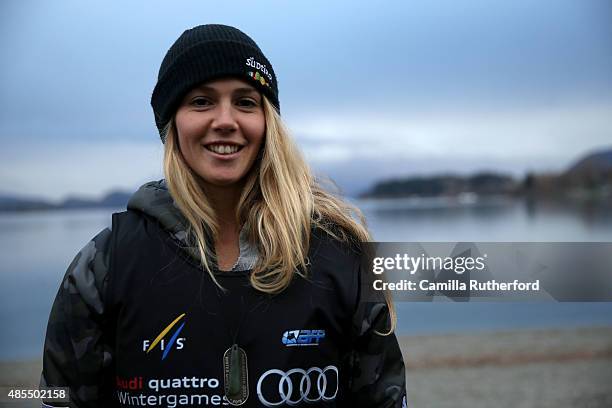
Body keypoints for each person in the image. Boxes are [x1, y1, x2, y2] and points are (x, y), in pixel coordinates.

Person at [41, 24, 407, 407]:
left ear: (268, 123)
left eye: (246, 102)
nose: (225, 120)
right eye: (201, 101)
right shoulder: (106, 264)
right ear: (172, 124)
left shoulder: (340, 255)